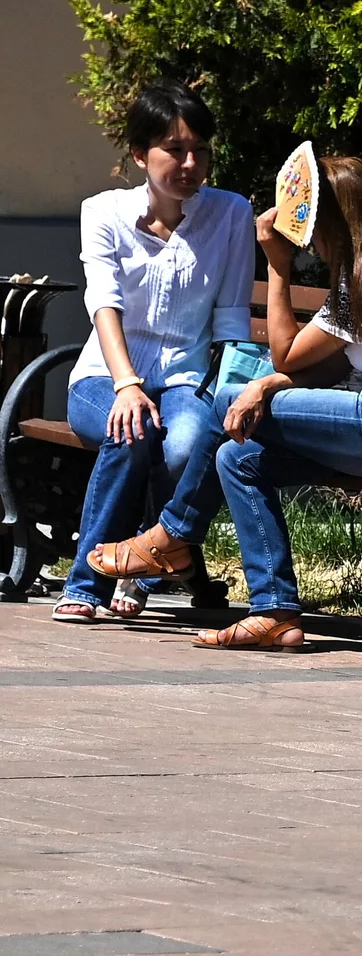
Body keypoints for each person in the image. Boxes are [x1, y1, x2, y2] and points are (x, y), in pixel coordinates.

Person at [86, 156, 362, 649]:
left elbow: (286, 352)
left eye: (314, 226)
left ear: (337, 222)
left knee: (225, 402)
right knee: (237, 458)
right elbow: (328, 367)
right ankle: (274, 612)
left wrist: (276, 264)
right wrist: (265, 386)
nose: (310, 242)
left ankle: (171, 537)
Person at [50, 82, 254, 624]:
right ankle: (87, 582)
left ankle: (139, 566)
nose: (190, 164)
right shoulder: (103, 212)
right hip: (104, 377)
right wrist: (126, 385)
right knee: (131, 430)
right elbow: (104, 303)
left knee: (185, 445)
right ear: (140, 154)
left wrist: (233, 392)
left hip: (185, 378)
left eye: (200, 151)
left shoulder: (231, 212)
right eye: (174, 150)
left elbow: (232, 314)